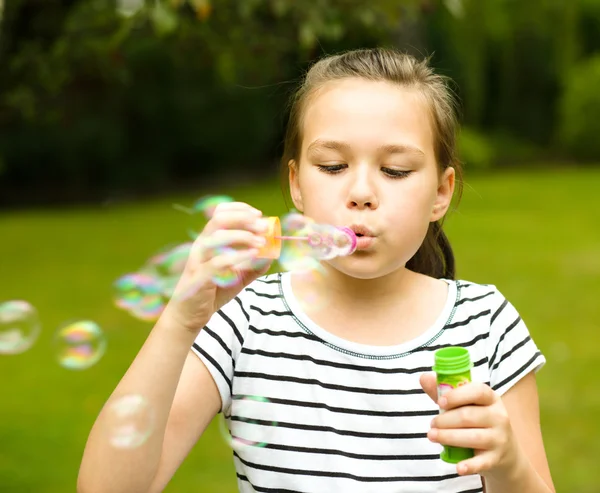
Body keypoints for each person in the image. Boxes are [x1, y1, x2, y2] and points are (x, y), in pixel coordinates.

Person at [77, 47, 555, 493]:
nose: (361, 192)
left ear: (441, 192)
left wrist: (507, 461)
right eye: (331, 166)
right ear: (296, 185)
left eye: (395, 170)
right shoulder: (247, 321)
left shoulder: (486, 323)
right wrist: (181, 320)